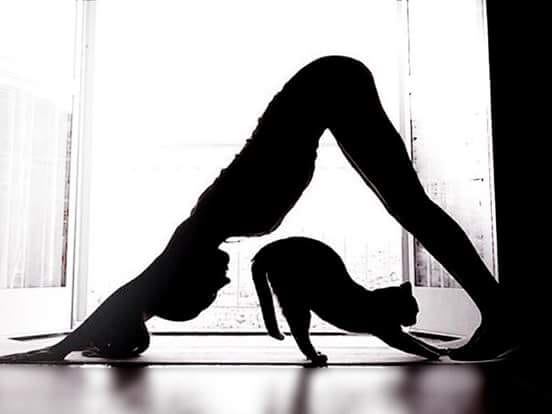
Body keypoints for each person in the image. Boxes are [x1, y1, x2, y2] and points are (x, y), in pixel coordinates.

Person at [0, 56, 516, 363]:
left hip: (330, 83)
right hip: (332, 89)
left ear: (183, 281)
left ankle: (501, 315)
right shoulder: (221, 228)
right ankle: (500, 314)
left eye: (205, 296)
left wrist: (59, 348)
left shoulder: (202, 227)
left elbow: (139, 287)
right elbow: (144, 294)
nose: (222, 285)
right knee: (408, 205)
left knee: (409, 206)